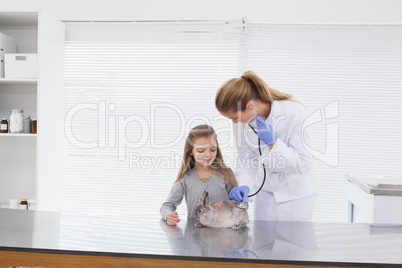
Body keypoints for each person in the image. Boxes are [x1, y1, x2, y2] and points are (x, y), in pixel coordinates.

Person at [215, 71, 318, 221]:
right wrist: (243, 185)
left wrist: (274, 143)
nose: (234, 123)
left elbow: (302, 164)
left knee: (294, 243)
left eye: (235, 117)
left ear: (250, 106)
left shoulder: (293, 112)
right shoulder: (242, 123)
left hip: (296, 196)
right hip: (266, 194)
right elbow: (247, 158)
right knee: (262, 243)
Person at [160, 124, 237, 226]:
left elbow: (241, 205)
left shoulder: (226, 174)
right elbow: (167, 205)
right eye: (201, 151)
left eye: (213, 150)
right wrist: (168, 215)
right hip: (195, 235)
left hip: (224, 234)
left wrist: (226, 204)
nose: (208, 155)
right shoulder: (185, 178)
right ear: (191, 151)